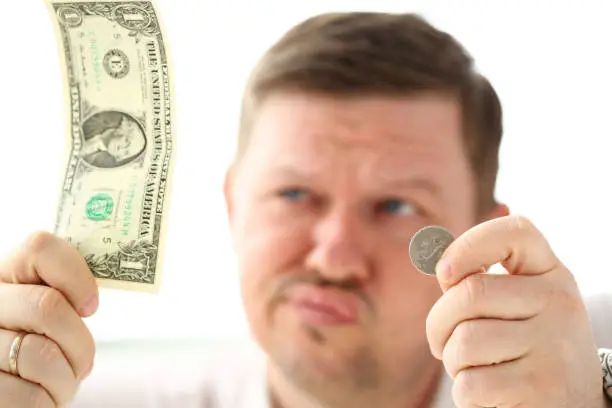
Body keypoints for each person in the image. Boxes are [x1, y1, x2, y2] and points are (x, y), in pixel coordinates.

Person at [1, 11, 611, 408]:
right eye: (294, 195)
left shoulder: (586, 358)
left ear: (484, 238)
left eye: (397, 205)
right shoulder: (87, 399)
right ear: (234, 205)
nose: (335, 257)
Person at [80, 114, 146, 168]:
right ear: (121, 130)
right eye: (126, 141)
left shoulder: (92, 161)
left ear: (120, 158)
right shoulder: (94, 119)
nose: (121, 148)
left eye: (126, 152)